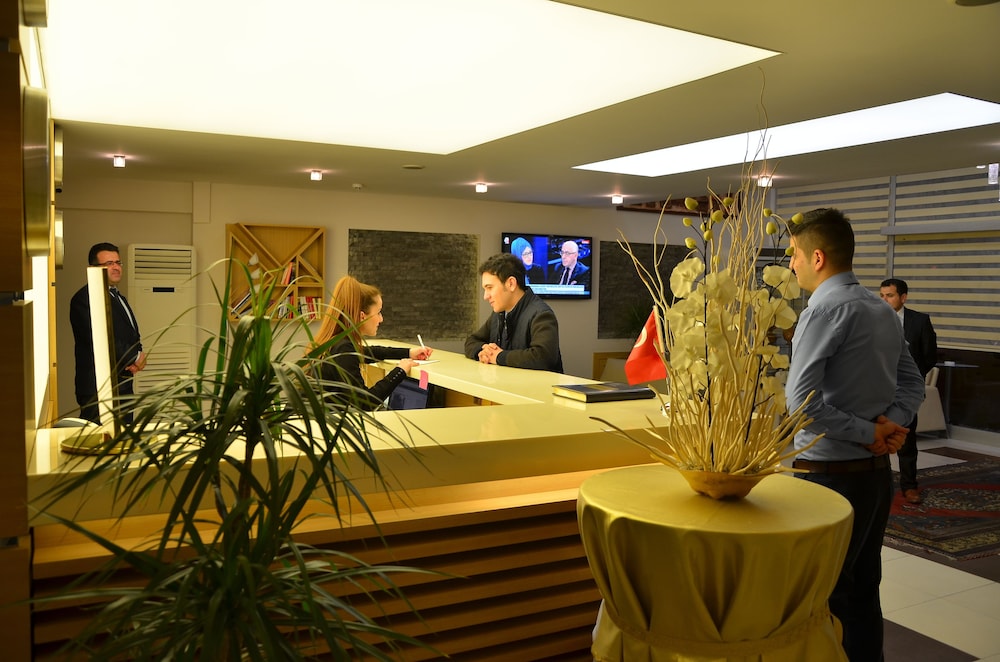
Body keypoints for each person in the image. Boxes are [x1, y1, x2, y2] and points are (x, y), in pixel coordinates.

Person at [784, 209, 925, 662]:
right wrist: (889, 429)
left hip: (828, 476)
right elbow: (914, 385)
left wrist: (871, 432)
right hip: (874, 478)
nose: (791, 264)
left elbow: (800, 404)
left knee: (822, 597)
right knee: (863, 590)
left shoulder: (822, 311)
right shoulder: (880, 309)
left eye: (795, 254)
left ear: (818, 257)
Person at [313, 275, 432, 410]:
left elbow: (371, 352)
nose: (381, 319)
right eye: (379, 312)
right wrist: (400, 371)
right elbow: (364, 403)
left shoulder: (335, 342)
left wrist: (409, 353)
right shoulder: (343, 348)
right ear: (362, 316)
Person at [70, 242, 146, 424]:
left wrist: (138, 356)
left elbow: (130, 333)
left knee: (123, 437)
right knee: (100, 439)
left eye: (118, 263)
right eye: (109, 264)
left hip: (123, 384)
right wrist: (135, 357)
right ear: (93, 269)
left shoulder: (116, 296)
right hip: (99, 388)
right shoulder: (84, 299)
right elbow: (100, 339)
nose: (116, 267)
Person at [880, 277, 938, 504]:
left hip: (906, 391)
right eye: (882, 296)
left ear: (903, 297)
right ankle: (880, 485)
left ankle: (909, 486)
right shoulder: (872, 319)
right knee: (876, 436)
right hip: (877, 388)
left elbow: (929, 356)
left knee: (906, 439)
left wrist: (911, 379)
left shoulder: (919, 321)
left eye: (890, 295)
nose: (884, 300)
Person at [465, 253, 563, 372]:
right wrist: (483, 351)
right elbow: (471, 341)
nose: (485, 296)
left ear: (511, 284)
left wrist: (499, 357)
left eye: (490, 288)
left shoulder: (541, 315)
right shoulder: (499, 313)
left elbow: (543, 357)